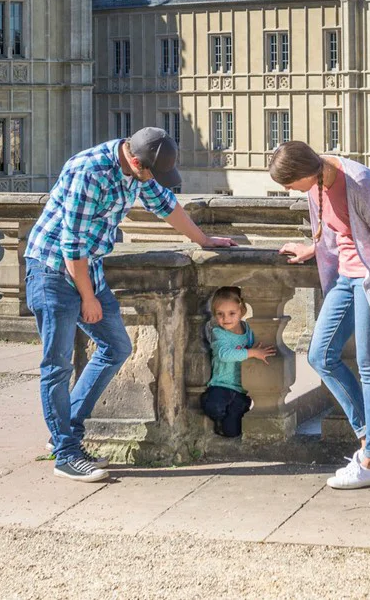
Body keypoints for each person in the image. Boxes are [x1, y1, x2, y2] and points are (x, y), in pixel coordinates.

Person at [26, 127, 237, 482]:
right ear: (135, 159)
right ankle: (65, 454)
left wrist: (204, 239)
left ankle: (66, 431)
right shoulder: (88, 171)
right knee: (57, 366)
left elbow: (166, 205)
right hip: (52, 271)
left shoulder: (138, 169)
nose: (154, 179)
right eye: (152, 172)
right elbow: (71, 244)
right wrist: (88, 298)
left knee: (116, 347)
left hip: (86, 268)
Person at [270, 141, 370, 490]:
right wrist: (313, 247)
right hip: (344, 278)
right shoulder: (316, 185)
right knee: (320, 355)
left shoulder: (360, 182)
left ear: (305, 172)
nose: (289, 191)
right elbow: (337, 233)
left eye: (289, 183)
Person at [202, 285, 276, 438]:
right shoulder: (219, 334)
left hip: (242, 389)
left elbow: (255, 346)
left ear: (241, 311)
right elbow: (224, 354)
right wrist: (252, 352)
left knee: (232, 431)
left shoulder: (248, 330)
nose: (226, 319)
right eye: (220, 314)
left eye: (231, 313)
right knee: (213, 407)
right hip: (221, 385)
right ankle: (217, 414)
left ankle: (226, 423)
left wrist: (257, 351)